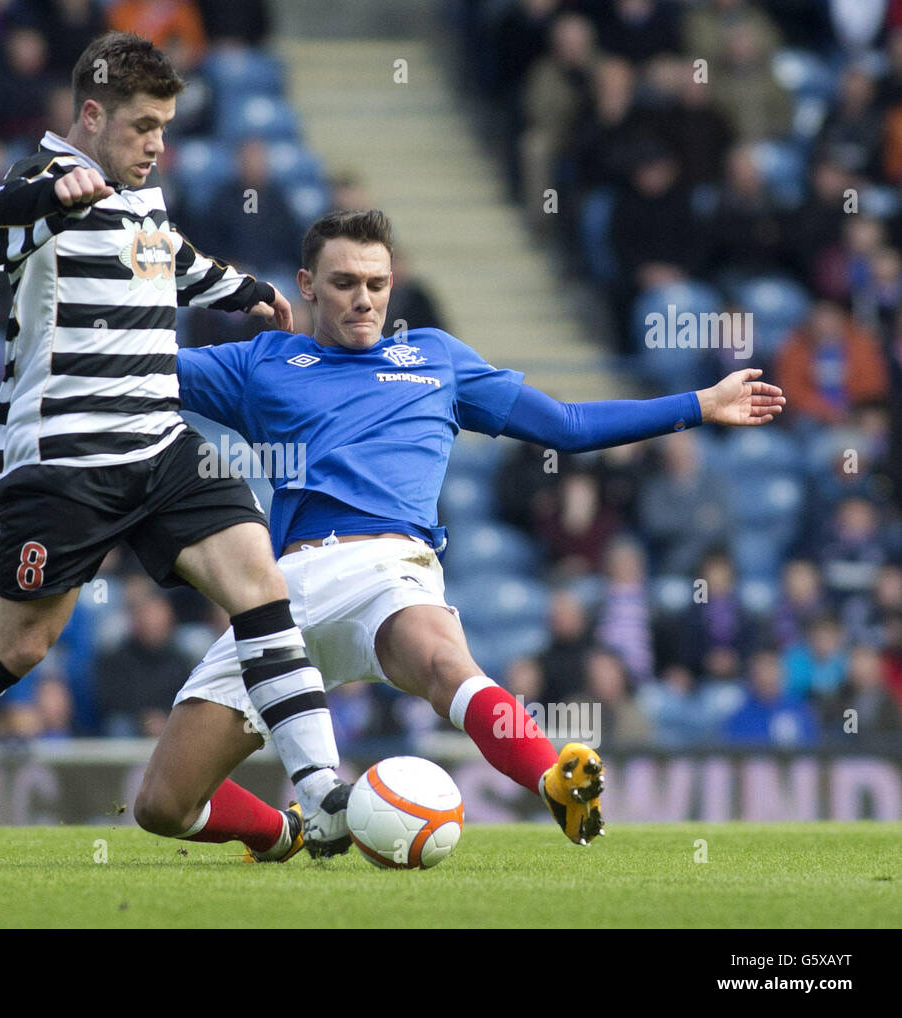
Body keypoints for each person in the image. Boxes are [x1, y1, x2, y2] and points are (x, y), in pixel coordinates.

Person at [132, 209, 786, 859]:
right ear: (306, 284)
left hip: (391, 565)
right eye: (344, 283)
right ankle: (286, 831)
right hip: (282, 594)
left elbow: (568, 425)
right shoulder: (264, 361)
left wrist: (698, 404)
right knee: (163, 804)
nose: (364, 299)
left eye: (377, 283)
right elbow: (137, 370)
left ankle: (551, 780)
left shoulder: (436, 359)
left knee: (446, 660)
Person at [0, 32, 347, 869]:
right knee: (18, 647)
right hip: (64, 459)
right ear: (91, 114)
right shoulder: (39, 187)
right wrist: (56, 197)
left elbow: (170, 260)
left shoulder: (143, 194)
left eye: (166, 126)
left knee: (259, 580)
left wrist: (247, 291)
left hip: (160, 443)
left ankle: (322, 790)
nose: (157, 141)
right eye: (143, 124)